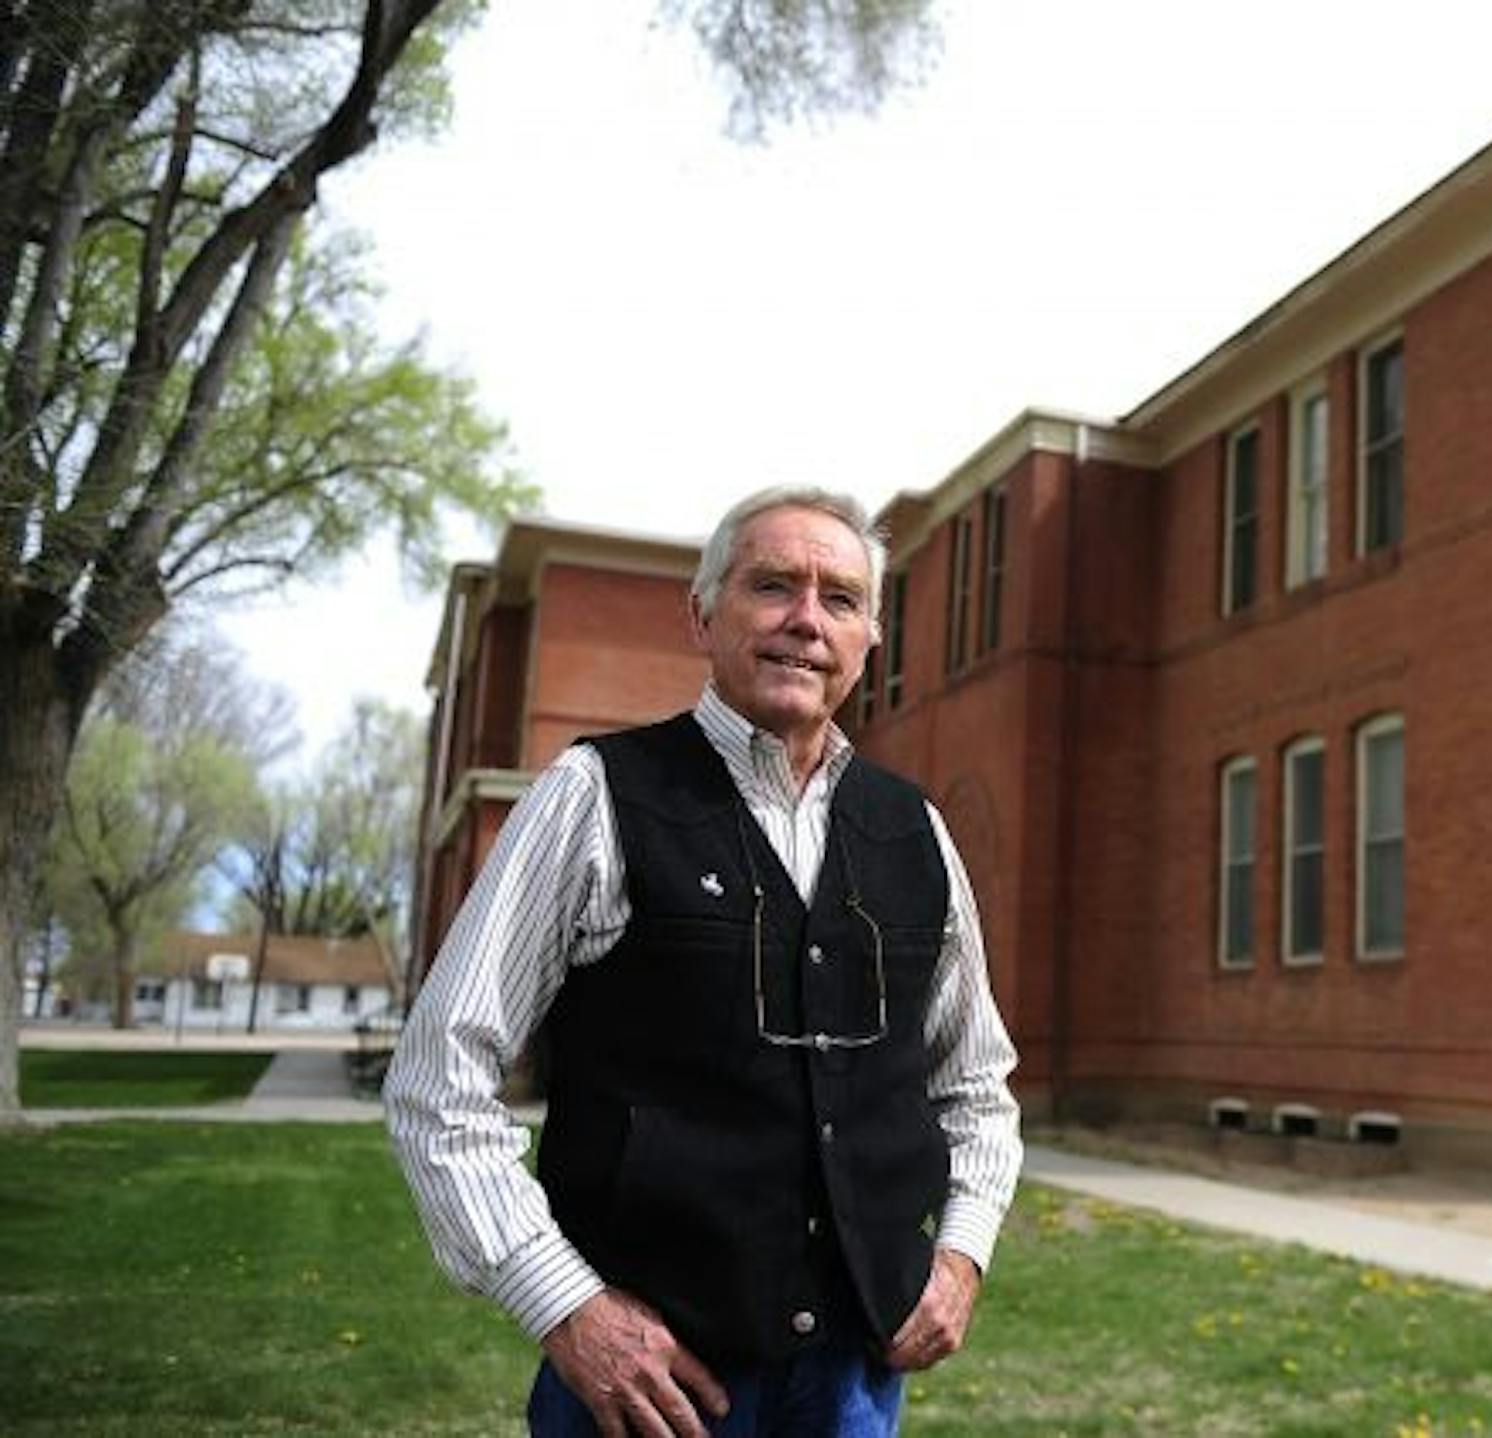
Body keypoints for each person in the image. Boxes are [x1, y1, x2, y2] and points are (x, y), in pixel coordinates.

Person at [385, 487, 1022, 1437]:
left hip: (852, 1386)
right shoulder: (596, 796)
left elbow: (975, 1085)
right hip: (649, 1392)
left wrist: (962, 1256)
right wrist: (566, 1307)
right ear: (702, 614)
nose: (807, 620)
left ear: (871, 638)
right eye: (773, 586)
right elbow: (441, 1077)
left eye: (840, 599)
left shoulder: (914, 830)